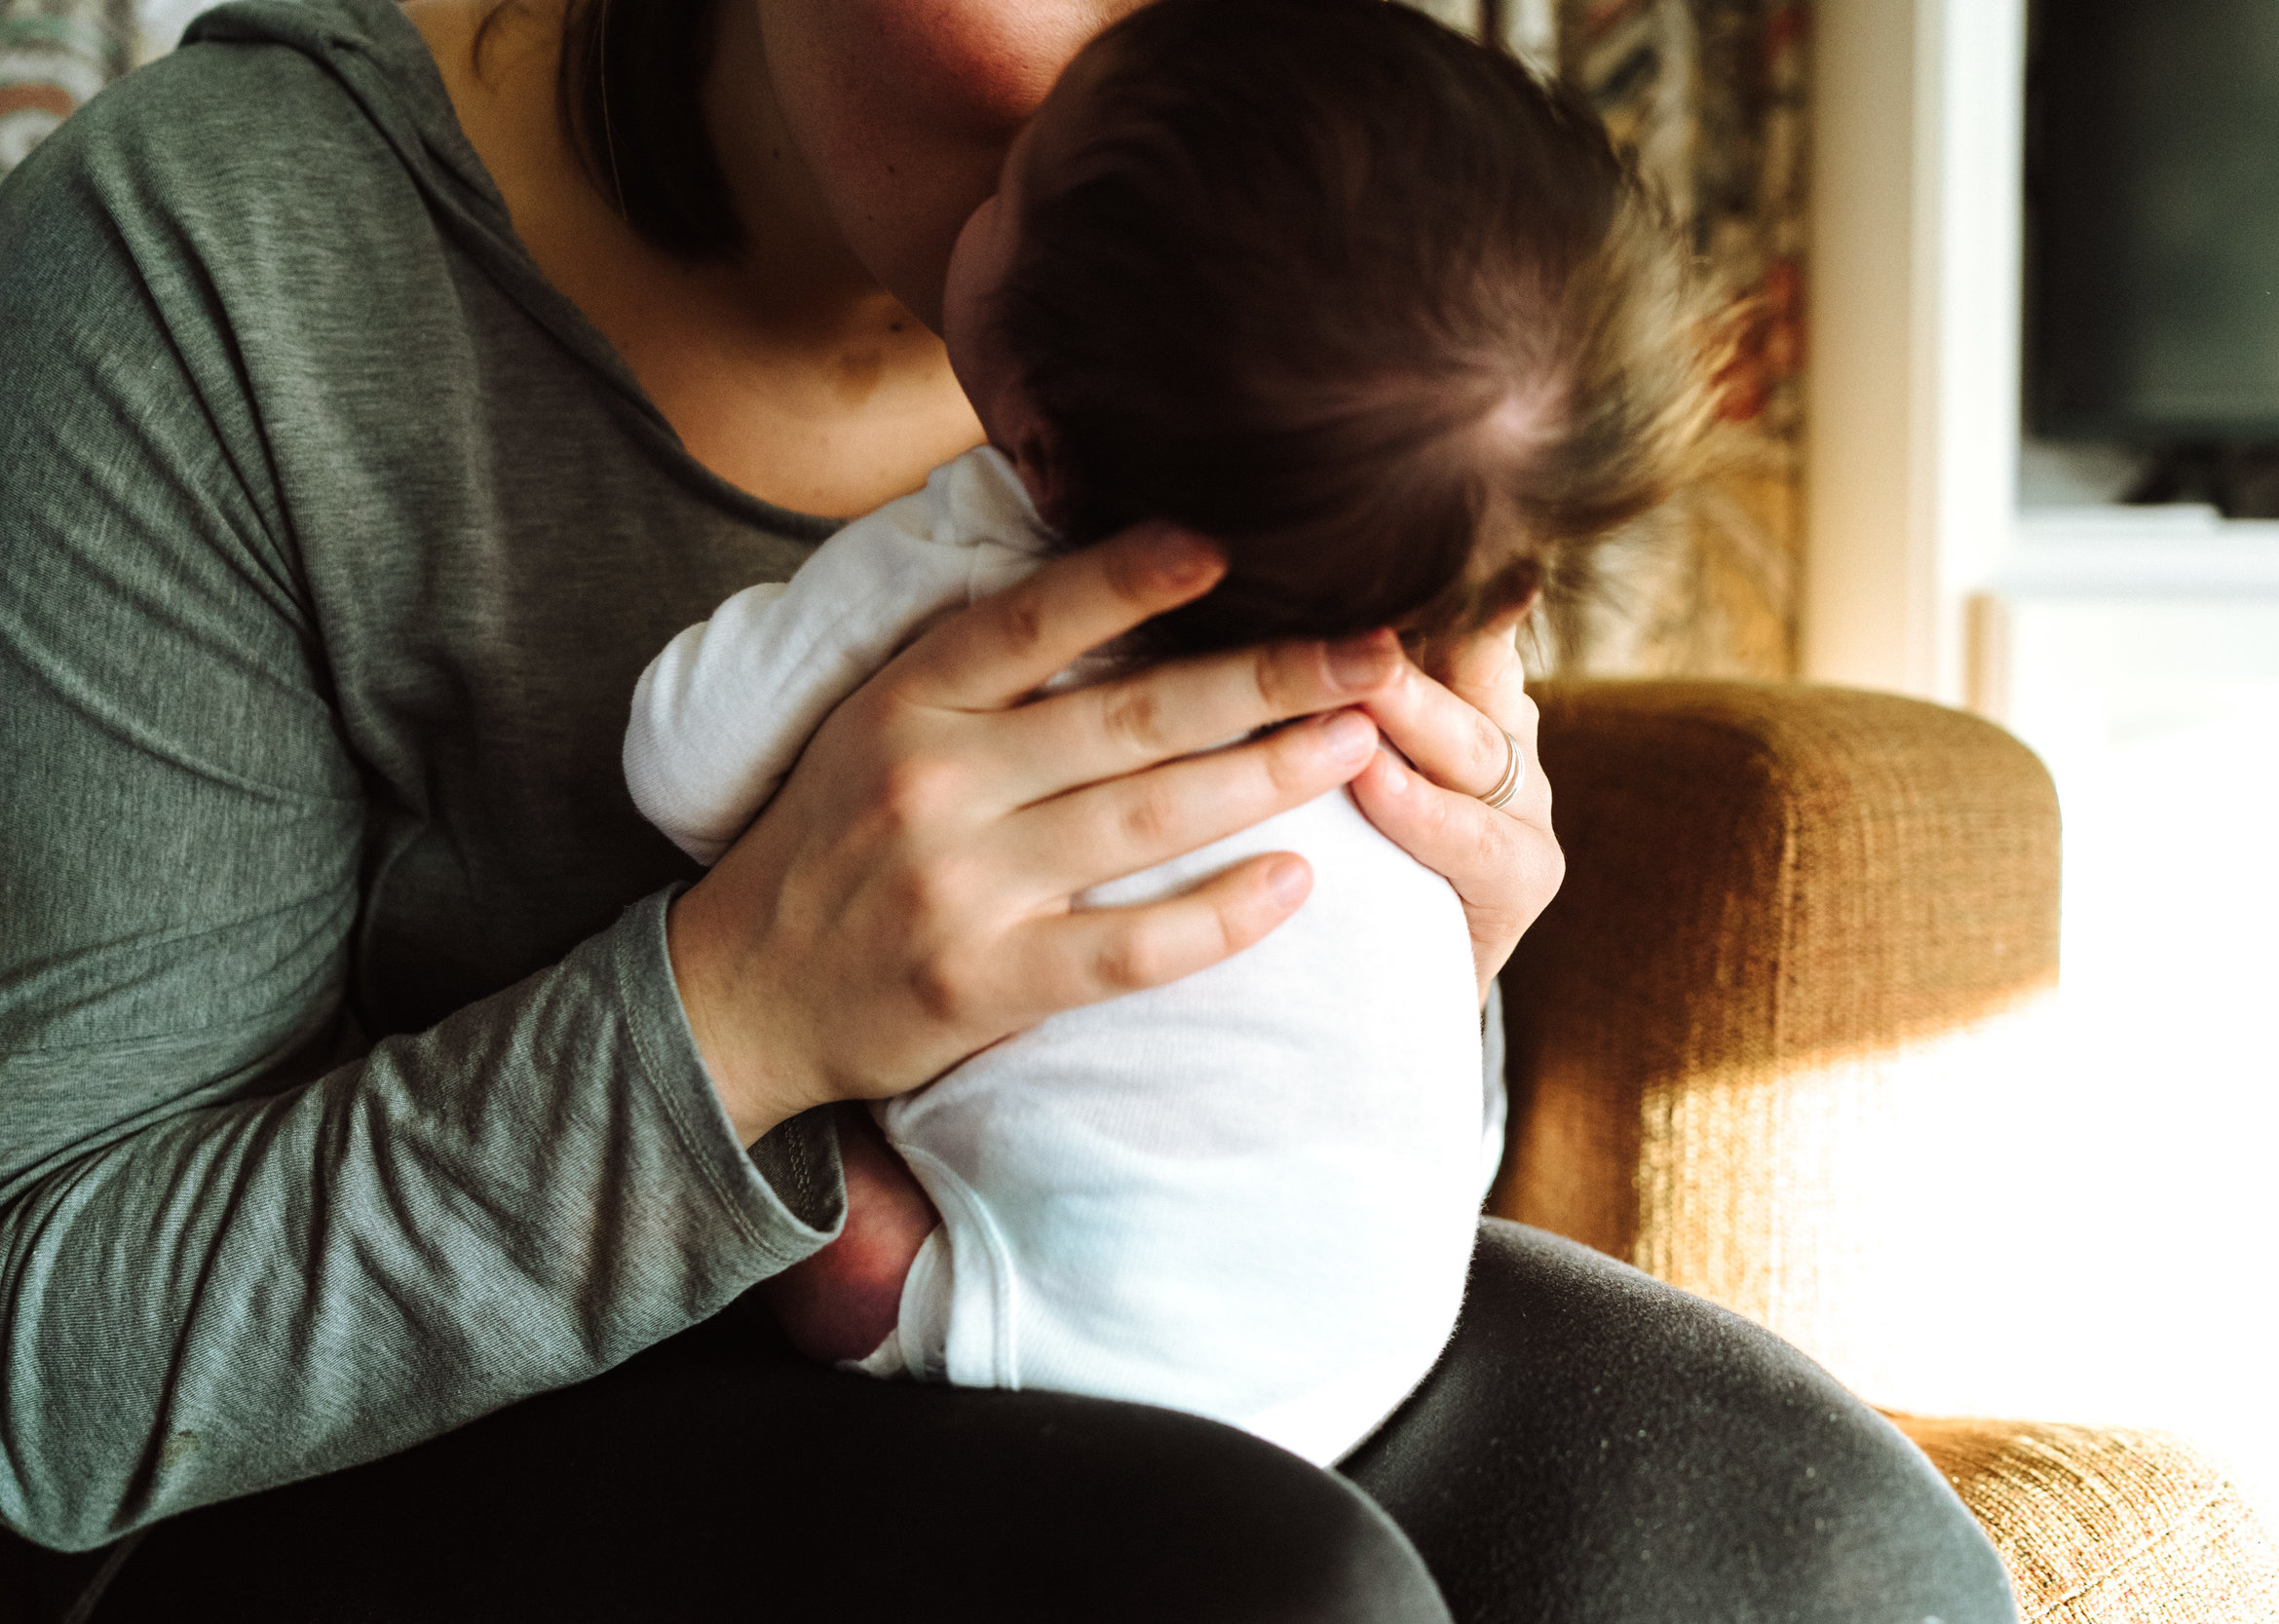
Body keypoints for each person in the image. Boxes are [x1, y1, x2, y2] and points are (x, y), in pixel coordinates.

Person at [0, 0, 2022, 1614]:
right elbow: (49, 1384)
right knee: (1243, 1590)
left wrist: (1404, 946)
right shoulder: (218, 264)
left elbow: (1236, 1124)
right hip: (363, 1470)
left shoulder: (1339, 286)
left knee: (1808, 1548)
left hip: (1067, 1310)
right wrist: (743, 1015)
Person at [624, 0, 1712, 1468]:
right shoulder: (1385, 599)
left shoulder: (979, 560)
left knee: (844, 1250)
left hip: (1052, 1344)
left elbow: (682, 766)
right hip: (1384, 1332)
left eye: (1017, 197)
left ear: (1049, 453)